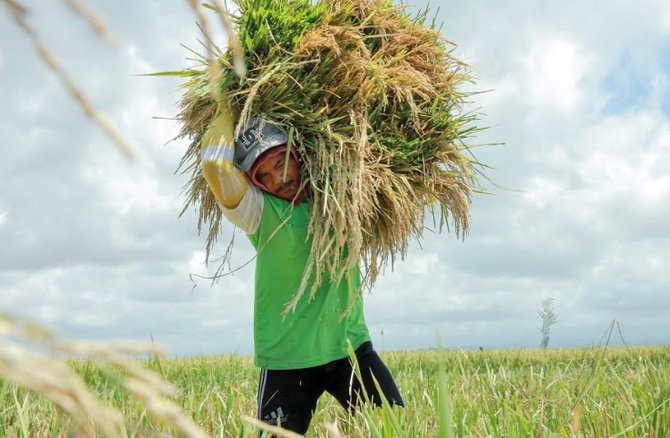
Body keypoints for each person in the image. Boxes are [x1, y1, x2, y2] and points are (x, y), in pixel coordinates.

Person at [199, 102, 404, 435]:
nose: (275, 180)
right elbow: (214, 165)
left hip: (349, 348)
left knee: (397, 429)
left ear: (300, 155)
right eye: (261, 175)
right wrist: (226, 106)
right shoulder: (259, 212)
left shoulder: (343, 198)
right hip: (286, 360)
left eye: (280, 164)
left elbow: (383, 150)